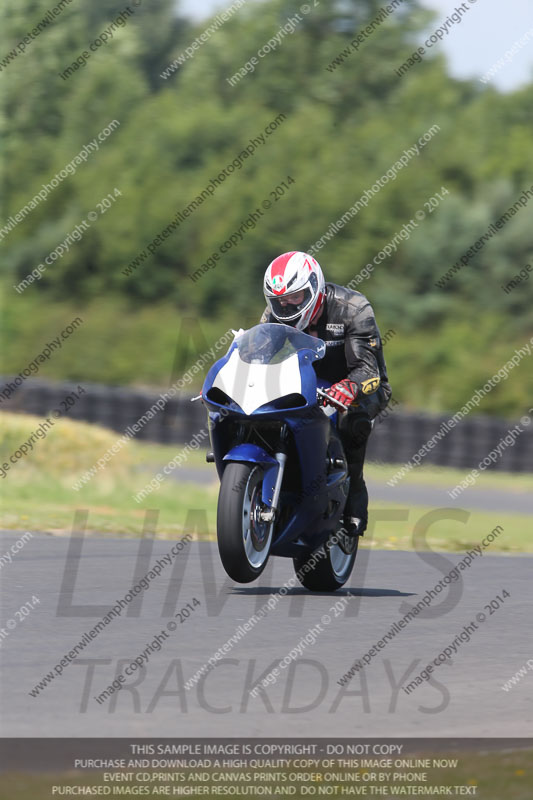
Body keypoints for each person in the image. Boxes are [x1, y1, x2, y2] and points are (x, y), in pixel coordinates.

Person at [260, 250, 392, 540]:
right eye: (280, 299)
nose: (286, 305)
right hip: (304, 382)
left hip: (359, 384)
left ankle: (355, 489)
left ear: (314, 288)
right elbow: (261, 354)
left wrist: (347, 387)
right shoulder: (275, 314)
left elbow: (368, 370)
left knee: (351, 418)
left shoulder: (354, 308)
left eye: (295, 297)